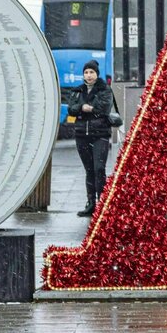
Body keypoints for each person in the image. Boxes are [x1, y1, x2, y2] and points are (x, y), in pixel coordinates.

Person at [68, 59, 114, 217]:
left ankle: (102, 203)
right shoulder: (77, 91)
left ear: (97, 74)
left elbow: (104, 109)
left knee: (99, 169)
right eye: (86, 72)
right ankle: (91, 203)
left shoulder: (104, 89)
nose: (88, 75)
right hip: (82, 134)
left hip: (100, 134)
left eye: (91, 72)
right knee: (89, 170)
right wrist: (81, 108)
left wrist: (89, 109)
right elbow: (71, 109)